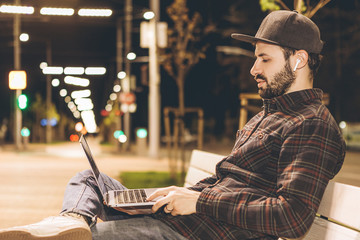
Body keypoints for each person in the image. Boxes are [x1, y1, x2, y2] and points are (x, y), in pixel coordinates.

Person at [0, 10, 345, 240]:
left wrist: (199, 202)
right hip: (185, 220)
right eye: (256, 58)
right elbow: (227, 179)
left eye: (264, 59)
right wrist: (173, 194)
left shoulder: (312, 125)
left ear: (299, 60)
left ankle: (63, 229)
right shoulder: (268, 115)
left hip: (196, 233)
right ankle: (70, 221)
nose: (254, 69)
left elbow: (293, 216)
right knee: (90, 179)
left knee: (89, 238)